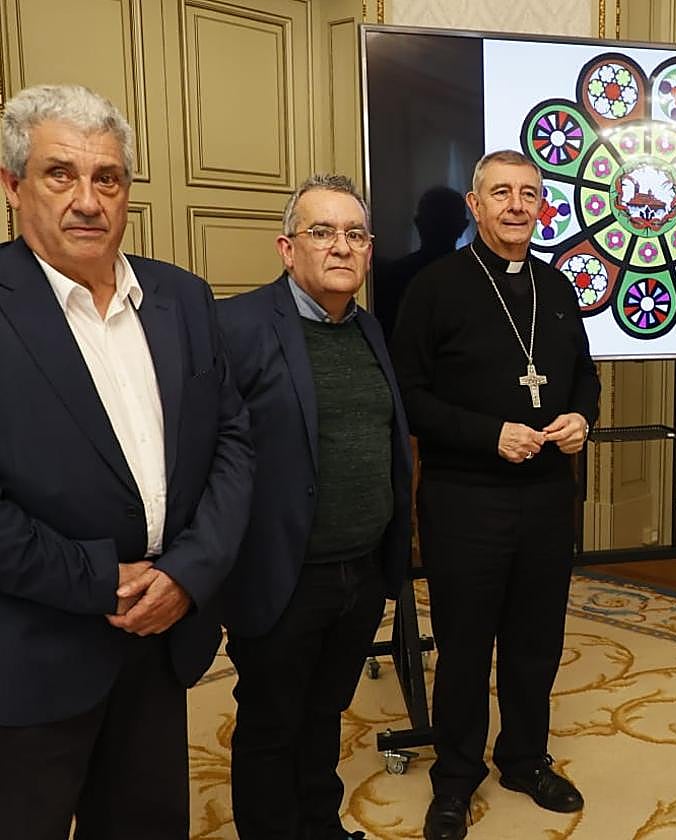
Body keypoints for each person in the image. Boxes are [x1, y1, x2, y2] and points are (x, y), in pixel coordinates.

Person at [0, 83, 253, 838]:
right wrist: (94, 580)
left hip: (159, 641)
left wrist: (189, 573)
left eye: (106, 177)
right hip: (32, 655)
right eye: (59, 174)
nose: (87, 199)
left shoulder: (182, 297)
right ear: (12, 187)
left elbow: (234, 442)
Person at [391, 149, 600, 840]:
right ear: (475, 206)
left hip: (546, 495)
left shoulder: (558, 288)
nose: (517, 205)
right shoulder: (434, 287)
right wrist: (489, 435)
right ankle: (454, 777)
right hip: (464, 496)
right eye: (500, 193)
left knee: (537, 641)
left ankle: (522, 758)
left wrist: (581, 419)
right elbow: (409, 397)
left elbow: (584, 377)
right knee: (465, 644)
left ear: (543, 207)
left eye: (529, 194)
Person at [217, 173, 413, 840]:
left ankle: (319, 828)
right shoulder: (237, 327)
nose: (341, 247)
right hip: (281, 575)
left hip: (359, 572)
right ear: (286, 247)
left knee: (326, 711)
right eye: (321, 232)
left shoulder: (367, 330)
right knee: (272, 723)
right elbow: (206, 453)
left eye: (355, 234)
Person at [373, 185, 470, 342]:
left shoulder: (393, 275)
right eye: (435, 222)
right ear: (462, 226)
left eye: (444, 222)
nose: (439, 229)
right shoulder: (392, 278)